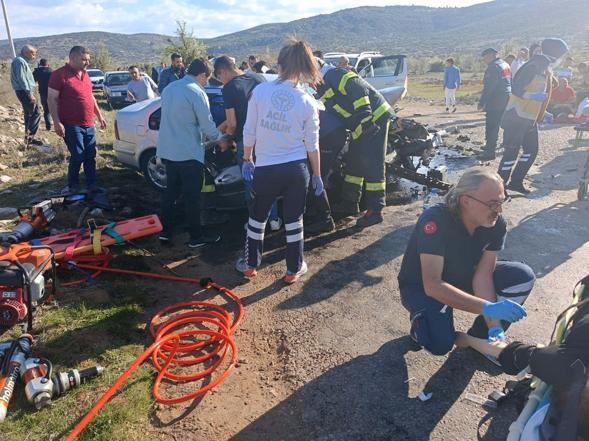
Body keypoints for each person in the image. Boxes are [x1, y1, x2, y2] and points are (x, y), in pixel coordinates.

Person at [397, 168, 535, 357]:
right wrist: (487, 307)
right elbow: (433, 285)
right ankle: (421, 324)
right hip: (422, 286)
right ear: (466, 201)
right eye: (492, 203)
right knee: (440, 345)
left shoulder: (496, 224)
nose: (499, 210)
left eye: (502, 202)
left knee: (522, 276)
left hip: (461, 275)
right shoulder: (436, 221)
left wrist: (494, 324)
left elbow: (483, 275)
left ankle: (484, 338)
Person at [235, 39, 322, 284]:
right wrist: (317, 175)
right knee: (294, 220)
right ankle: (293, 270)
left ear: (280, 64)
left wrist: (247, 157)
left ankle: (250, 265)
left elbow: (248, 130)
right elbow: (312, 145)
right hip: (296, 170)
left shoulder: (260, 92)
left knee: (257, 217)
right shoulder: (307, 101)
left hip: (266, 169)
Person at [455, 300, 589, 441]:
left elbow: (516, 354)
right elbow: (516, 354)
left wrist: (466, 339)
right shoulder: (568, 360)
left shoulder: (566, 363)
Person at [156, 58, 229, 248]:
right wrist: (221, 139)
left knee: (170, 195)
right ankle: (196, 238)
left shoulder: (170, 88)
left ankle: (165, 233)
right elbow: (207, 126)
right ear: (202, 74)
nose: (207, 82)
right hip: (188, 153)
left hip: (168, 151)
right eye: (207, 78)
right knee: (192, 198)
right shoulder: (197, 92)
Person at [316, 58, 394, 227]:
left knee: (373, 163)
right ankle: (349, 203)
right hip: (360, 125)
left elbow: (359, 91)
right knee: (355, 161)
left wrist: (366, 119)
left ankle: (375, 210)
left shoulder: (335, 74)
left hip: (374, 119)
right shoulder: (322, 84)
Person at [213, 55, 283, 231]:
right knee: (268, 180)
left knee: (250, 182)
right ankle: (274, 220)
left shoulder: (229, 88)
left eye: (219, 77)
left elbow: (233, 123)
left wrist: (225, 138)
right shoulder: (257, 78)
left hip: (247, 142)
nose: (221, 81)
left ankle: (256, 221)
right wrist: (219, 127)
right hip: (268, 136)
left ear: (222, 71)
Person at [498, 38, 568, 194]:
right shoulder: (533, 65)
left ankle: (516, 182)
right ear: (555, 55)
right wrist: (531, 96)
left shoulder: (544, 68)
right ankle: (499, 188)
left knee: (531, 150)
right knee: (511, 152)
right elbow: (515, 88)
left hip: (530, 118)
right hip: (516, 116)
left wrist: (544, 110)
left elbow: (551, 86)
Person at [47, 46, 107, 193]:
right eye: (84, 59)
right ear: (72, 58)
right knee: (78, 154)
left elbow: (90, 97)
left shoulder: (86, 75)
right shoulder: (59, 75)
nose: (87, 63)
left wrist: (99, 116)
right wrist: (56, 122)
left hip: (88, 123)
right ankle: (73, 186)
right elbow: (51, 99)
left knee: (90, 155)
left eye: (88, 60)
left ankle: (91, 184)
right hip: (71, 123)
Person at [477, 48, 512, 160]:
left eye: (485, 58)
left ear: (490, 56)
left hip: (496, 100)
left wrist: (482, 102)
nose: (484, 61)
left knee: (492, 125)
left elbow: (489, 87)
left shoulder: (493, 67)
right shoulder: (505, 64)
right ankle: (495, 146)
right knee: (502, 124)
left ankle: (490, 152)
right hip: (506, 98)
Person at [11, 44, 42, 146]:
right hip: (24, 91)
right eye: (33, 53)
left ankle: (28, 139)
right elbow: (22, 79)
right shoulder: (19, 61)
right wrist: (30, 94)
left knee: (29, 114)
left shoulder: (21, 61)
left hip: (24, 91)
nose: (35, 55)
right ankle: (30, 139)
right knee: (35, 113)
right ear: (26, 53)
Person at [33, 58, 53, 131]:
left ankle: (48, 127)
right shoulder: (52, 71)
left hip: (43, 94)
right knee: (56, 109)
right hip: (53, 93)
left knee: (46, 110)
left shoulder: (37, 72)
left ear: (40, 64)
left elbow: (32, 81)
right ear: (47, 64)